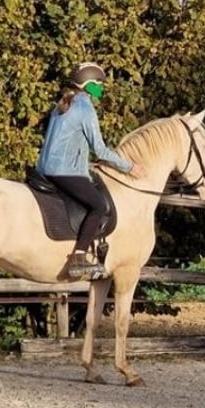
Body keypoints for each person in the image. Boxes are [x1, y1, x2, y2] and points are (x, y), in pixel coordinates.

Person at [37, 62, 145, 279]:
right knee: (98, 205)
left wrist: (85, 165)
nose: (101, 89)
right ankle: (78, 258)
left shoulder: (62, 105)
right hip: (65, 172)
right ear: (88, 85)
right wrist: (130, 167)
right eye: (98, 85)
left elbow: (62, 145)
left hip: (45, 169)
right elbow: (101, 150)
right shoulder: (85, 108)